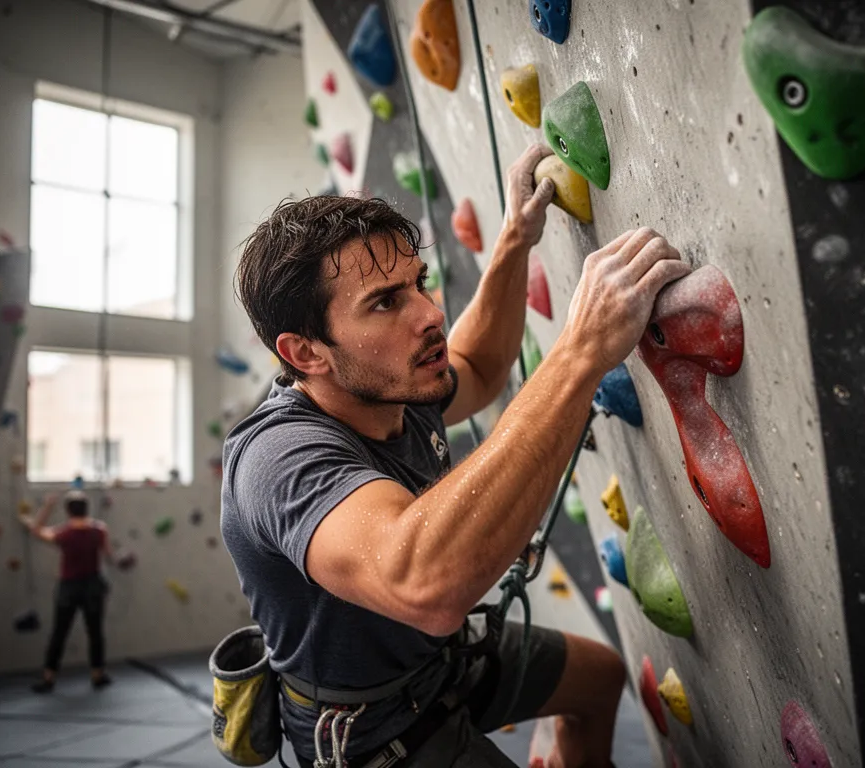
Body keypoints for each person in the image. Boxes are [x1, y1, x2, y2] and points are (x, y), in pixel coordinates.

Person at [222, 143, 690, 767]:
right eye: (386, 302)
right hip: (369, 728)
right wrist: (580, 352)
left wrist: (515, 239)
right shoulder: (278, 458)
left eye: (419, 283)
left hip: (439, 661)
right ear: (306, 353)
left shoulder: (396, 383)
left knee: (599, 678)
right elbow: (427, 584)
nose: (430, 314)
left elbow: (480, 365)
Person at [19, 490, 113, 693]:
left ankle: (49, 678)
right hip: (92, 585)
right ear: (86, 508)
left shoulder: (63, 533)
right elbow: (108, 554)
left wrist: (46, 506)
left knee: (59, 634)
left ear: (68, 511)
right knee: (95, 633)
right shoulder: (100, 530)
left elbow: (36, 530)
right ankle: (98, 675)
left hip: (69, 587)